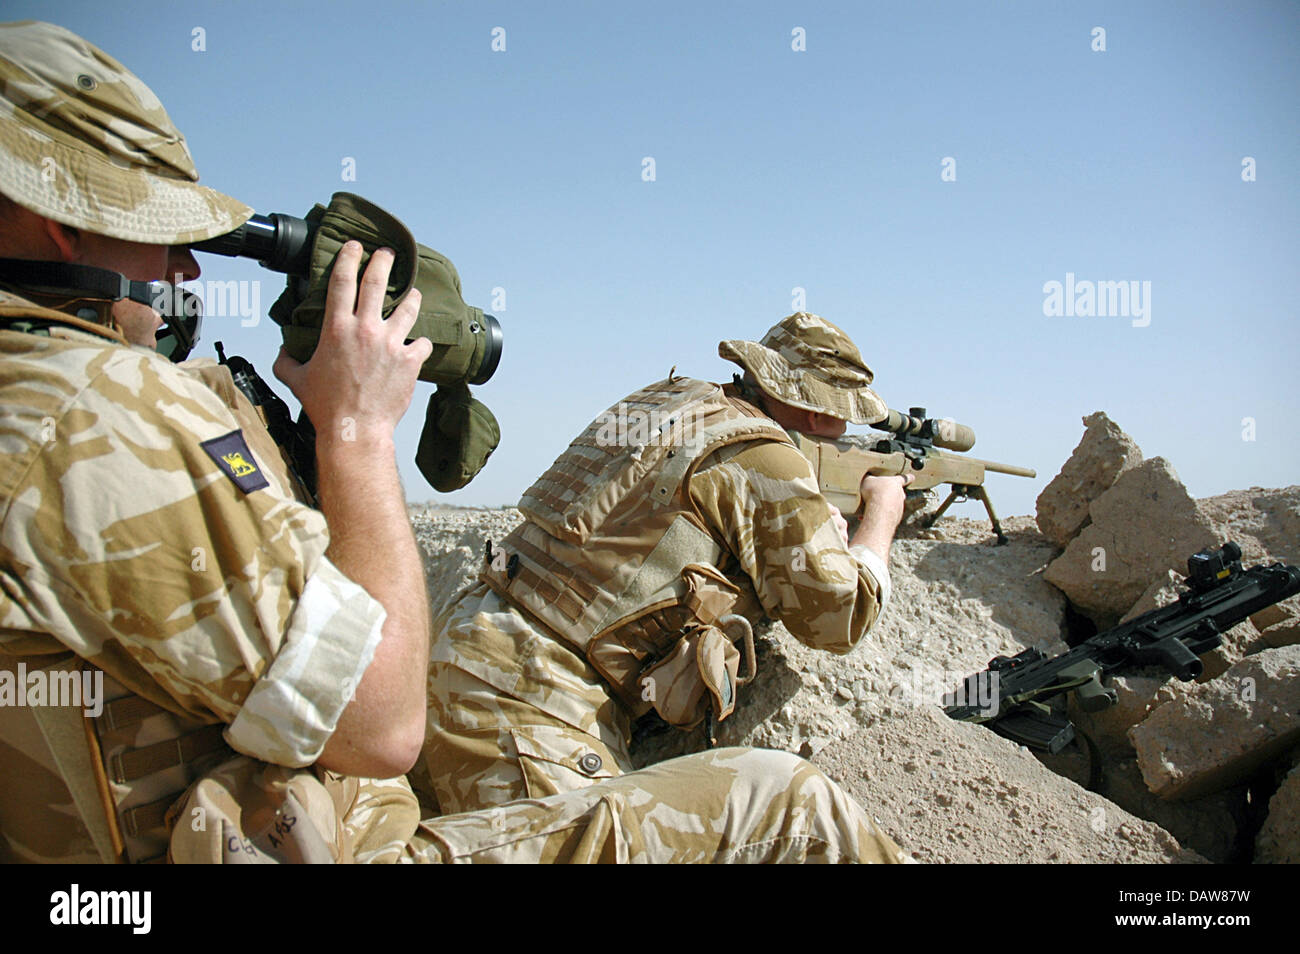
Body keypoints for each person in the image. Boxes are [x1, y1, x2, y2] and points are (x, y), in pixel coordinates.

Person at [0, 20, 908, 864]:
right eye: (162, 233)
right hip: (461, 750)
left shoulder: (678, 401)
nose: (186, 267)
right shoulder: (90, 410)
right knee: (790, 804)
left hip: (430, 710)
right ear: (61, 221)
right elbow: (378, 720)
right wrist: (878, 518)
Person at [425, 311, 913, 813]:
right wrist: (882, 513)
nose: (843, 434)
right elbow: (839, 620)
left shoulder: (674, 401)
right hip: (529, 697)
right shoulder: (763, 454)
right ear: (817, 414)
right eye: (845, 419)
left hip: (462, 641)